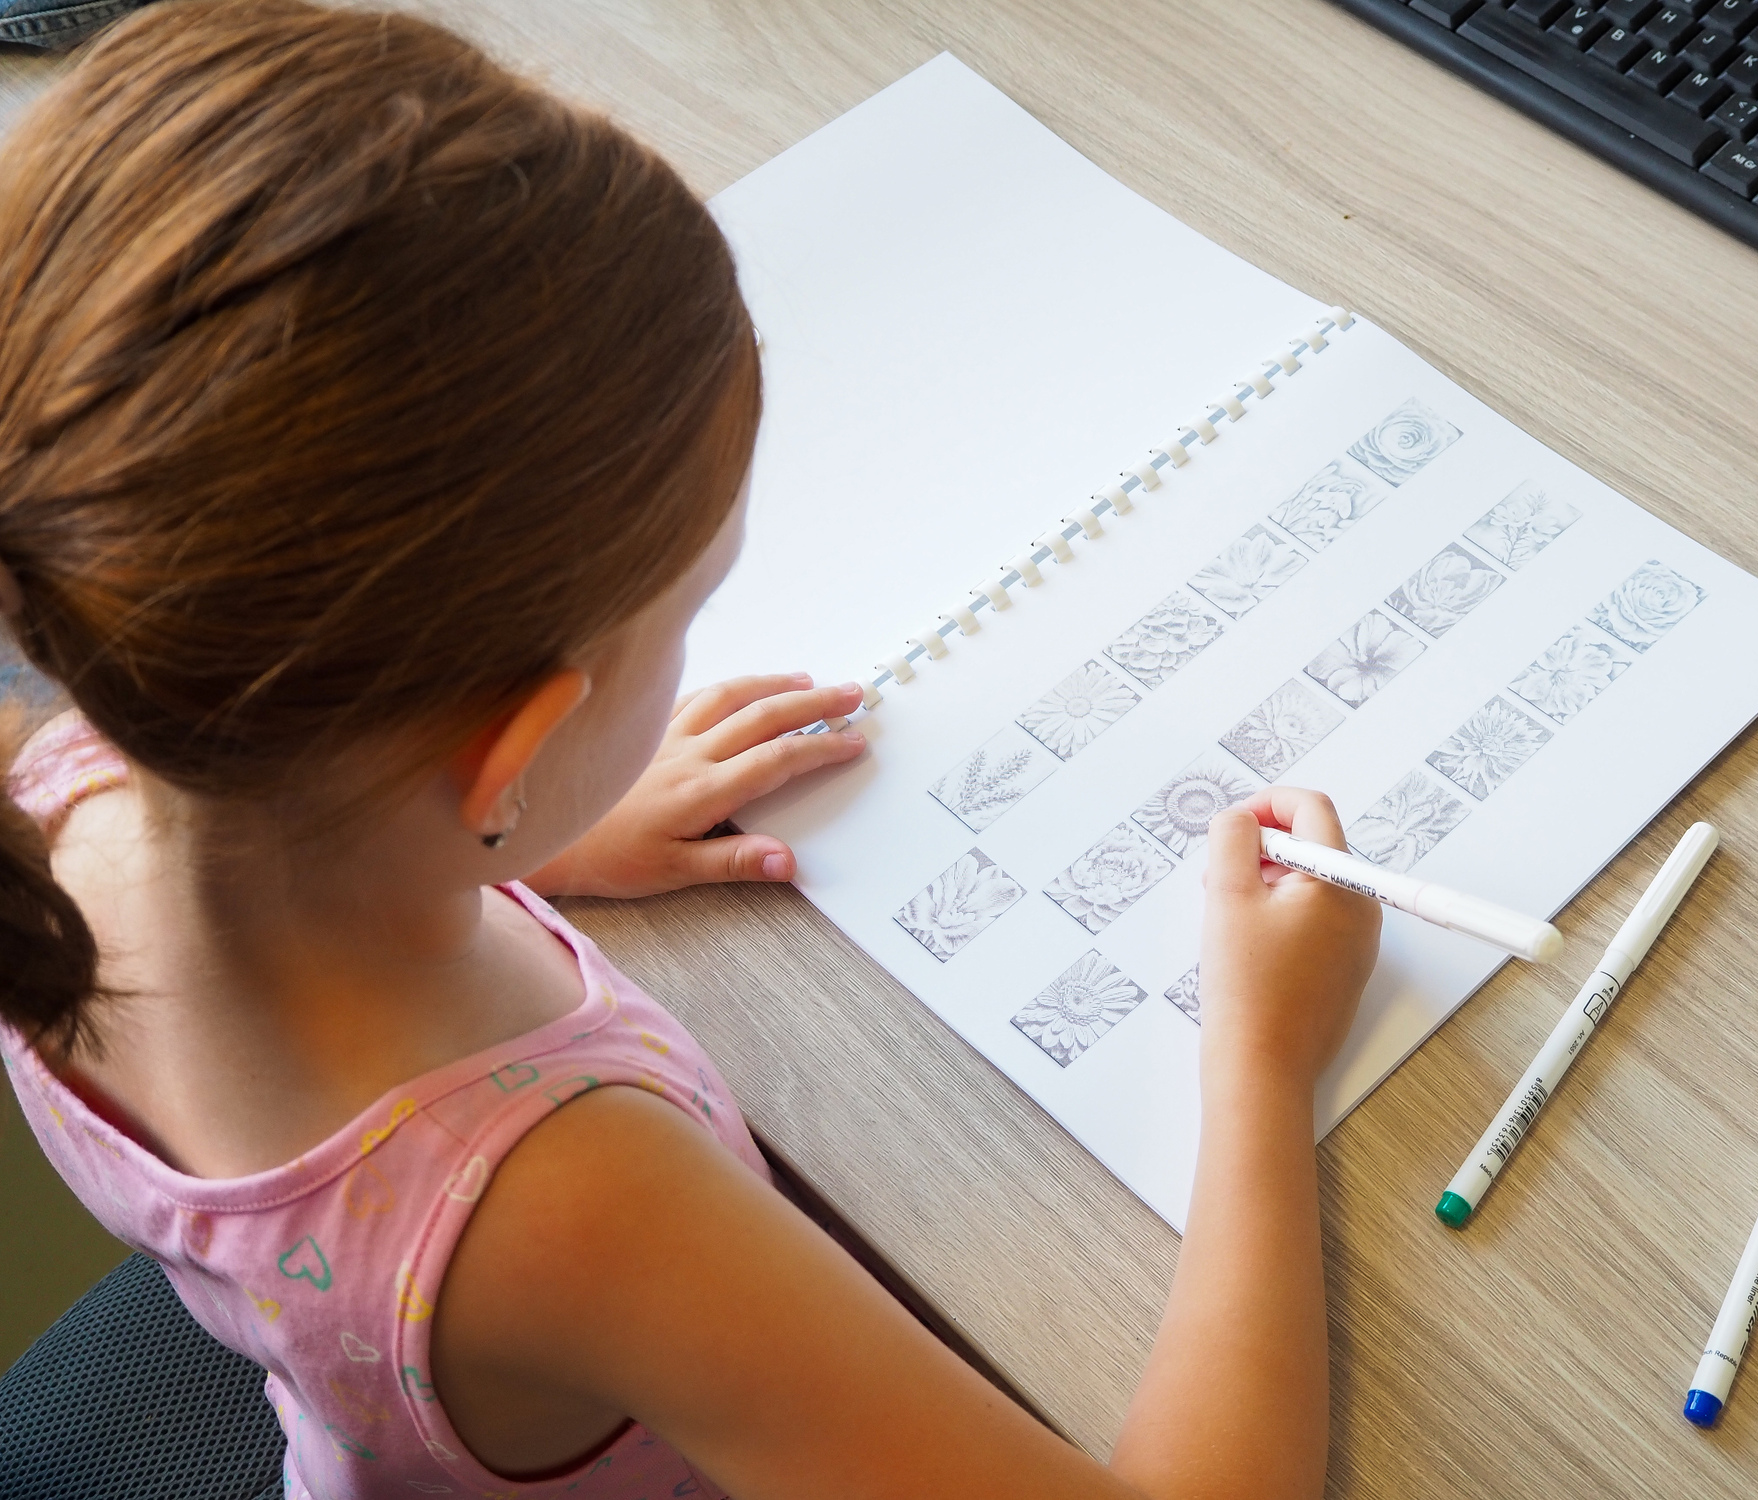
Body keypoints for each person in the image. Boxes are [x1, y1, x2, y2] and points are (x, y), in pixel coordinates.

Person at [0, 3, 1381, 1497]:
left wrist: (532, 838)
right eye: (689, 612)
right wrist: (1259, 1060)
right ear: (506, 744)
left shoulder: (69, 788)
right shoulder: (577, 1210)